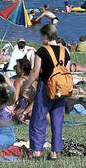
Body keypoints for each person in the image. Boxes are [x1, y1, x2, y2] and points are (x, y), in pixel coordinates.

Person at [24, 23, 69, 160]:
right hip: (62, 88)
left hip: (46, 87)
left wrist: (27, 85)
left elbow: (35, 72)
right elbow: (67, 70)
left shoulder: (42, 51)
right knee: (57, 120)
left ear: (45, 35)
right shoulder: (65, 50)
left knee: (38, 119)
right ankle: (55, 152)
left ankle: (37, 151)